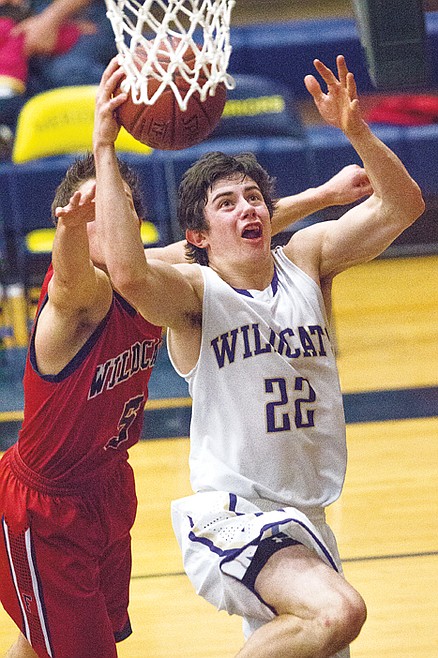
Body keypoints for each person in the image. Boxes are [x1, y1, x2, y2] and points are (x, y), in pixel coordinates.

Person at [0, 65, 371, 658]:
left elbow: (222, 238)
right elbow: (72, 277)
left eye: (120, 206)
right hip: (46, 503)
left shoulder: (152, 273)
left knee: (45, 631)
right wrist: (74, 218)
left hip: (108, 488)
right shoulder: (74, 301)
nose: (110, 217)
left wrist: (324, 196)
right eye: (95, 212)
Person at [94, 55, 425, 658]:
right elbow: (128, 272)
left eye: (253, 198)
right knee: (341, 610)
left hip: (307, 519)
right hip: (231, 513)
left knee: (318, 635)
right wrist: (104, 146)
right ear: (198, 237)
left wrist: (356, 130)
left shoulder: (307, 259)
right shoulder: (196, 294)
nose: (247, 207)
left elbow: (403, 206)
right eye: (226, 203)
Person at [0, 0, 116, 158]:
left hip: (83, 22)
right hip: (14, 74)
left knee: (67, 73)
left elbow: (44, 36)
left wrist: (51, 20)